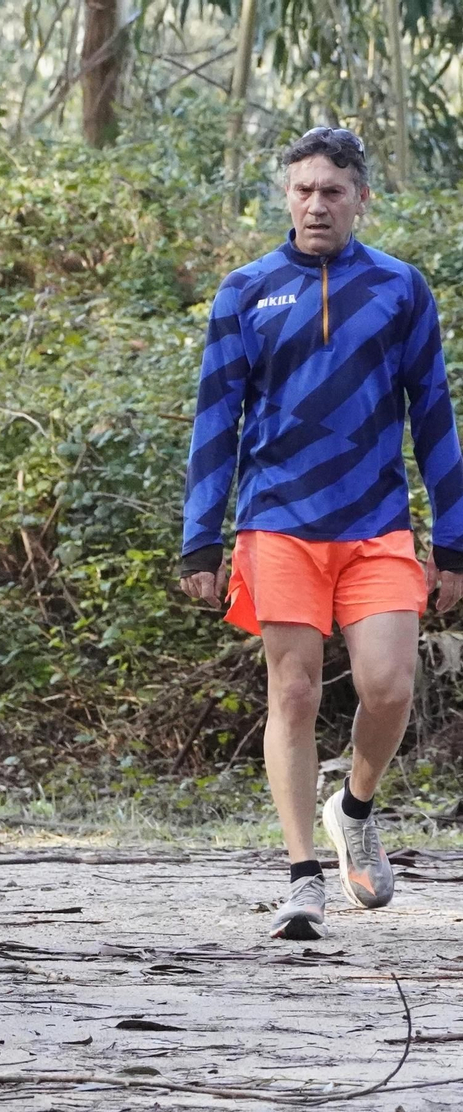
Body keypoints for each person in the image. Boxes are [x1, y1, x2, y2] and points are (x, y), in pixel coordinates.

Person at [180, 127, 463, 940]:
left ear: (361, 200)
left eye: (332, 191)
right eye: (302, 189)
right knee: (294, 691)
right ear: (285, 196)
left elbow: (434, 415)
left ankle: (356, 809)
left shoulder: (402, 289)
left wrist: (454, 538)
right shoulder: (247, 290)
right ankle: (304, 877)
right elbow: (216, 418)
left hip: (376, 523)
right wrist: (202, 536)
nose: (316, 204)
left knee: (389, 688)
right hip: (278, 522)